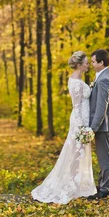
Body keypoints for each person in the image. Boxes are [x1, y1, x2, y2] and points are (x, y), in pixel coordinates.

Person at [31, 51, 97, 204]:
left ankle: (77, 184)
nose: (88, 65)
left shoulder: (77, 79)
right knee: (75, 153)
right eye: (86, 63)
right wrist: (81, 127)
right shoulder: (76, 82)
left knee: (78, 153)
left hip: (82, 120)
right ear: (80, 65)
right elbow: (78, 105)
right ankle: (69, 186)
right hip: (79, 122)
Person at [87, 49, 109, 200]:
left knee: (105, 156)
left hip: (103, 124)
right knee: (102, 155)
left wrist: (93, 128)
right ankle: (102, 184)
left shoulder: (104, 79)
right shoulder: (103, 76)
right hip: (102, 124)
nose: (91, 64)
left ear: (101, 63)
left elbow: (101, 107)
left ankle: (105, 188)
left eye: (93, 62)